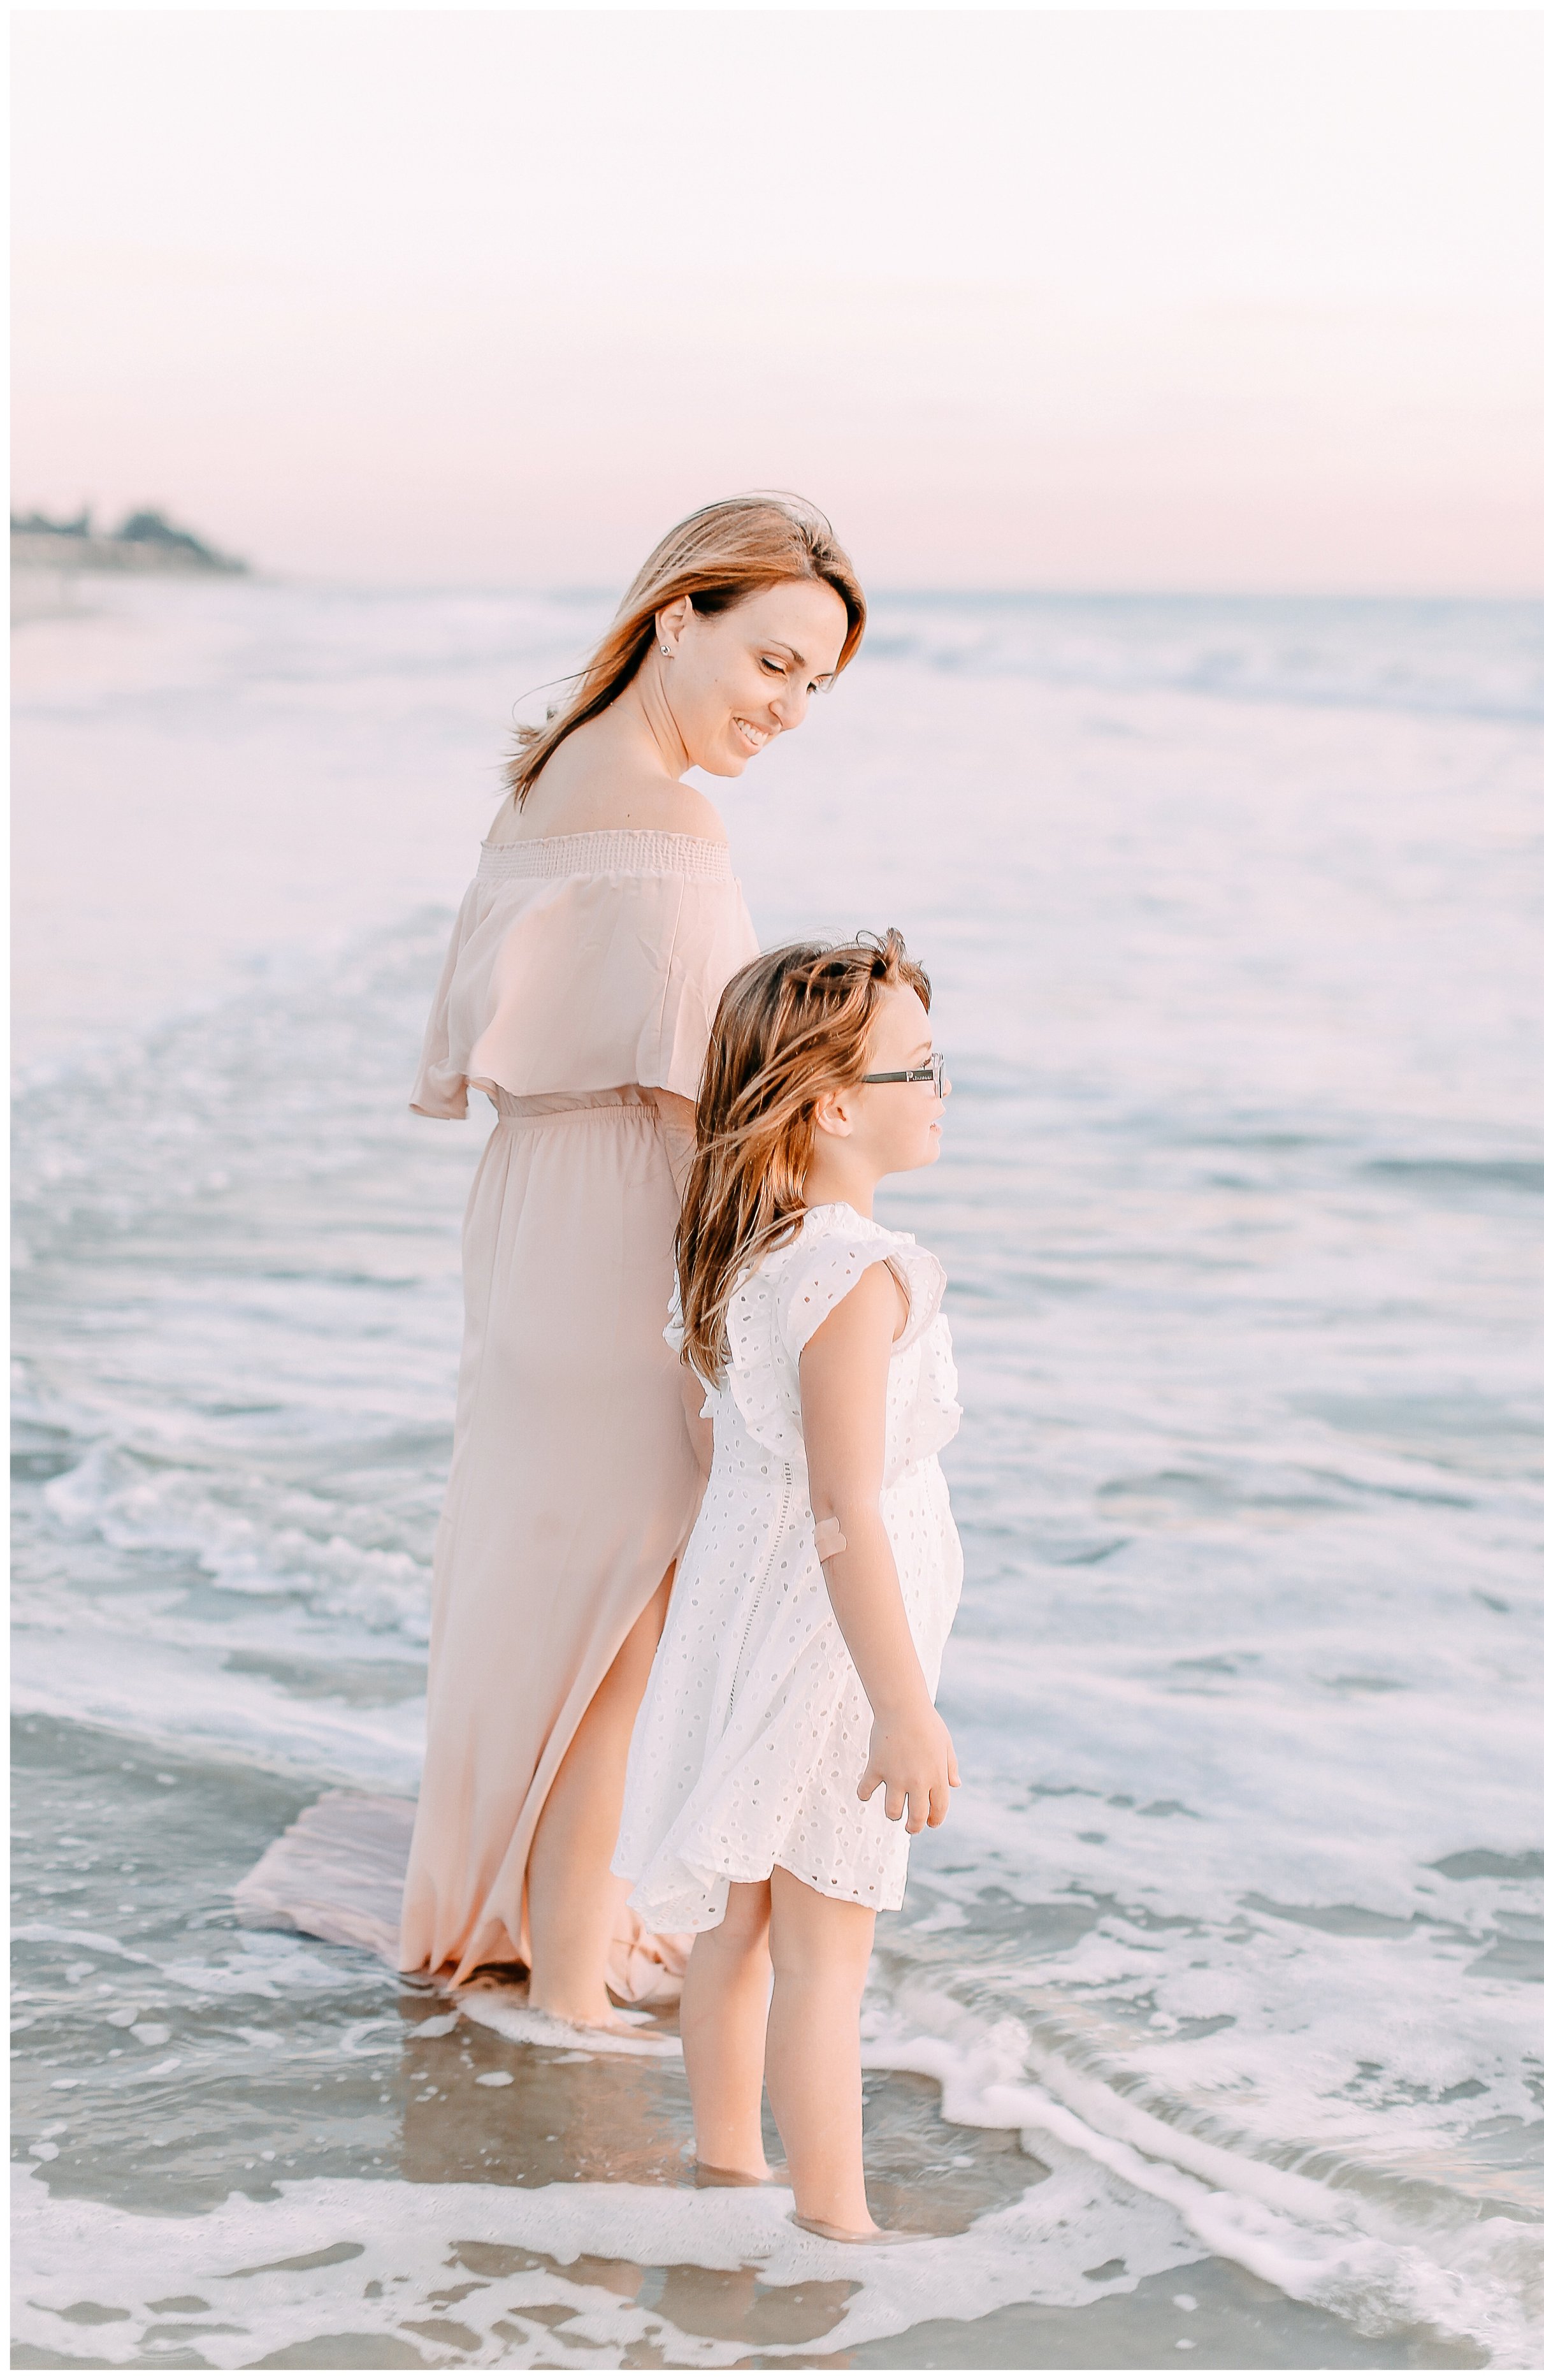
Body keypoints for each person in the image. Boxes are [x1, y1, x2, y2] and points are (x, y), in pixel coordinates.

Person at [400, 496, 867, 2026]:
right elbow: (717, 1095)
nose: (787, 709)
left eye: (814, 686)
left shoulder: (546, 781)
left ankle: (554, 1915)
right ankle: (572, 1986)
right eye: (772, 662)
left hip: (536, 1208)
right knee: (624, 1612)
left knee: (555, 1585)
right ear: (677, 614)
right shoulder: (673, 825)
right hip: (618, 1241)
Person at [614, 930, 963, 2238]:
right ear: (831, 1103)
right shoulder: (857, 1278)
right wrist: (900, 1706)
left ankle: (726, 2171)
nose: (939, 1092)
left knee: (739, 1927)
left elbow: (748, 1461)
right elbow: (843, 1510)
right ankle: (837, 2225)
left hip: (748, 1608)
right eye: (919, 1069)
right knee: (825, 1954)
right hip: (832, 1645)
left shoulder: (753, 1253)